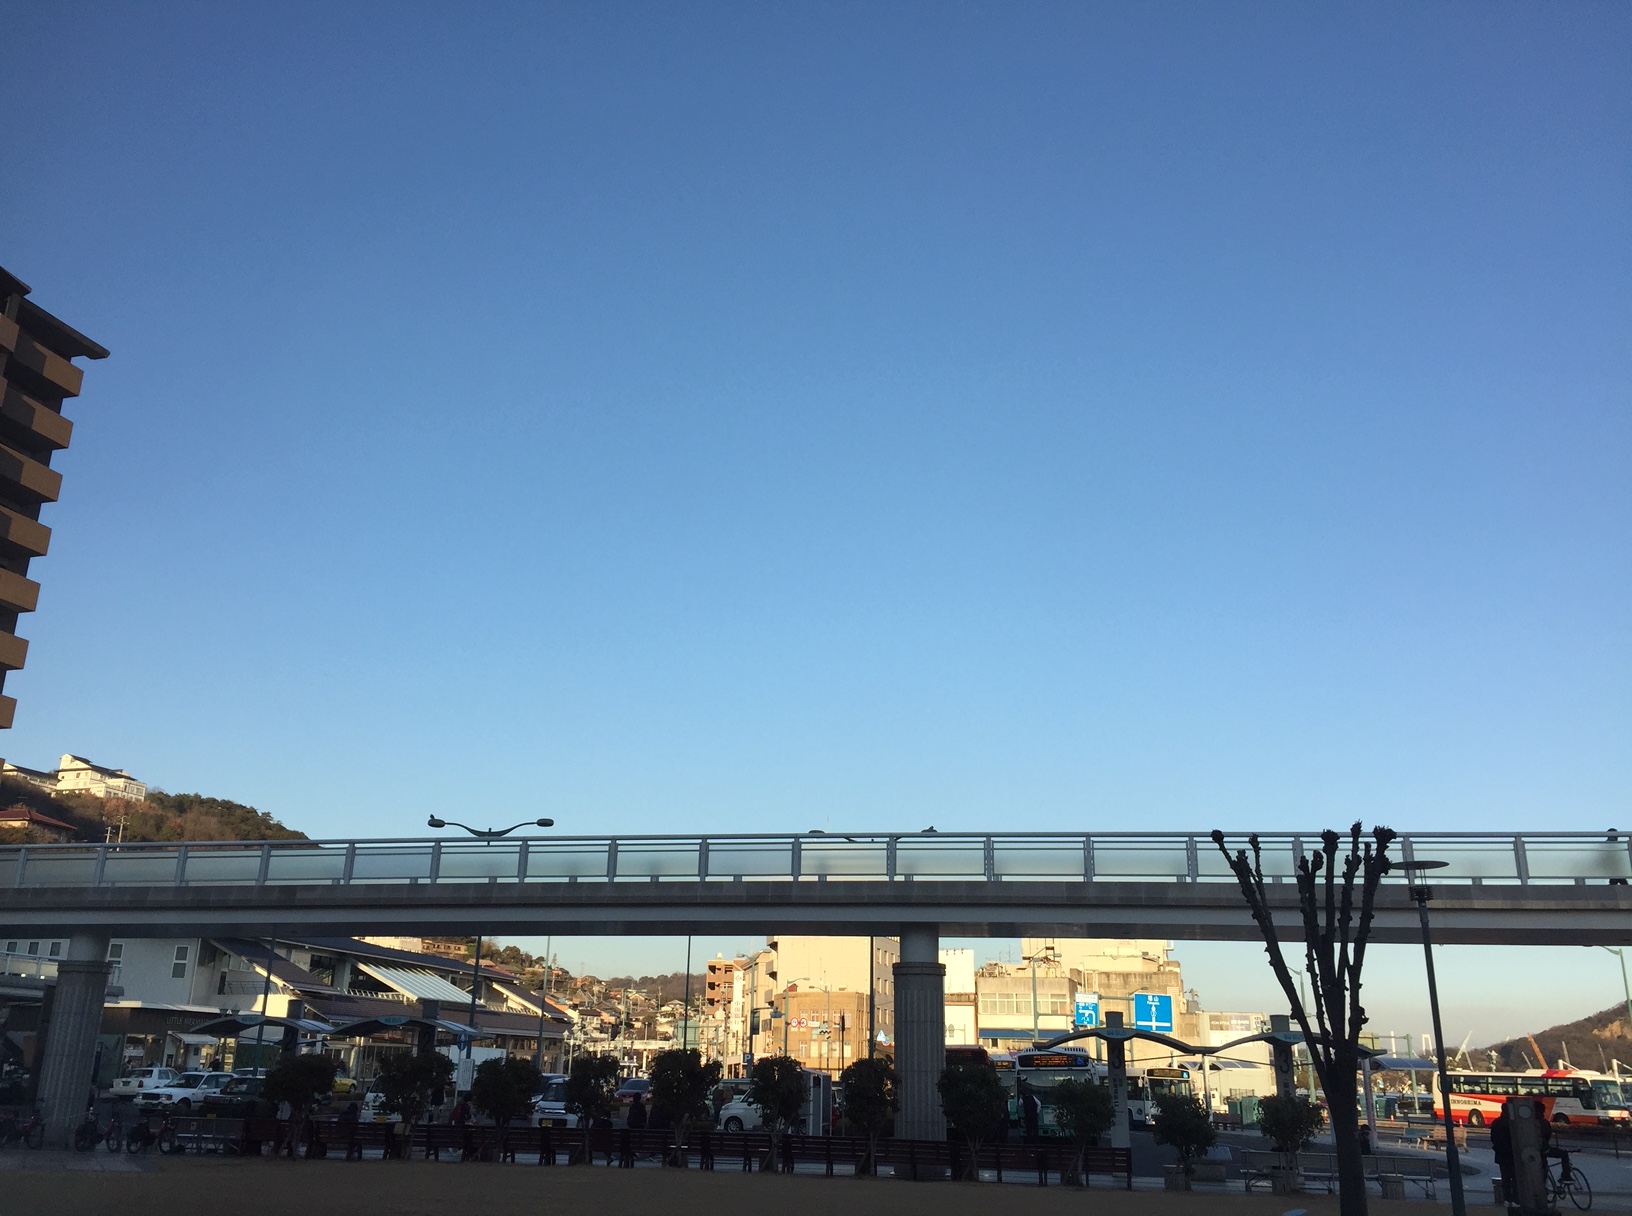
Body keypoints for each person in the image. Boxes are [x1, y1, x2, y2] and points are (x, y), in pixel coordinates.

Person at [1489, 1100, 1514, 1204]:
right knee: (1515, 1177)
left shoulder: (1496, 1122)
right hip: (1511, 1154)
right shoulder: (1511, 1123)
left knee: (1505, 1177)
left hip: (1500, 1154)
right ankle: (1514, 1198)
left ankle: (1507, 1198)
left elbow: (1493, 1138)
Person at [1019, 1079, 1041, 1143]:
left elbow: (1019, 1104)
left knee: (1029, 1129)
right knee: (1035, 1129)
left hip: (1027, 1116)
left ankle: (1029, 1142)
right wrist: (1037, 1111)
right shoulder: (1032, 1097)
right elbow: (1039, 1103)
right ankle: (1036, 1141)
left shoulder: (1022, 1099)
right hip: (1034, 1115)